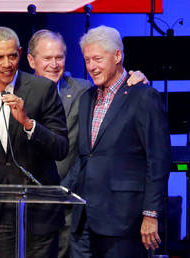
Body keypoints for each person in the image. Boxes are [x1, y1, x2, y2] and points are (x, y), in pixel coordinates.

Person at [26, 29, 149, 258]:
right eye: (47, 58)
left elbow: (118, 86)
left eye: (59, 57)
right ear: (32, 60)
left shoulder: (85, 91)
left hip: (71, 201)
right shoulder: (16, 93)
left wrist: (138, 77)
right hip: (29, 204)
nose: (54, 64)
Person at [63, 25, 170, 257]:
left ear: (118, 55)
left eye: (98, 59)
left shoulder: (143, 96)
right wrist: (59, 192)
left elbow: (158, 160)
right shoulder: (87, 98)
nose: (91, 66)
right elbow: (86, 156)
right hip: (85, 220)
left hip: (124, 220)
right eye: (87, 60)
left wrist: (151, 214)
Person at [0, 26, 68, 258]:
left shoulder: (43, 89)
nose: (7, 63)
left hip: (40, 211)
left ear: (20, 53)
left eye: (12, 55)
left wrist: (29, 123)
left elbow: (61, 148)